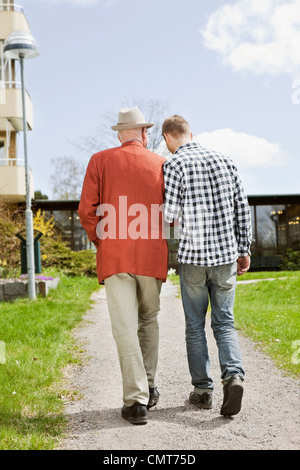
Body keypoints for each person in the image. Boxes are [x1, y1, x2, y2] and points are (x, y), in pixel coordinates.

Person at [78, 107, 168, 425]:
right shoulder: (162, 164)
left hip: (115, 256)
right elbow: (172, 213)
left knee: (124, 329)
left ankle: (136, 401)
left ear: (119, 134)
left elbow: (86, 210)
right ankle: (150, 385)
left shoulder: (100, 161)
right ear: (144, 134)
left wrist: (102, 241)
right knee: (149, 322)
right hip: (152, 256)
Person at [162, 115, 252, 416]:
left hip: (193, 260)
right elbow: (243, 207)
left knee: (195, 326)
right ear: (191, 133)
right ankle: (234, 376)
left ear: (166, 138)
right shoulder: (226, 160)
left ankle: (202, 391)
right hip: (226, 255)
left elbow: (170, 214)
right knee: (224, 323)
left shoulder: (174, 164)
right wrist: (244, 249)